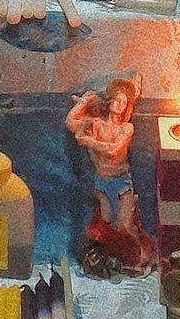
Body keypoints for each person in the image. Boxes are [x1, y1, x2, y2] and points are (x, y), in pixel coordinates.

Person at [65, 77, 153, 275]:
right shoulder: (96, 124)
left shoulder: (126, 128)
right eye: (117, 99)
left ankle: (140, 256)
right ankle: (107, 258)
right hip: (102, 181)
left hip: (121, 181)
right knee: (105, 222)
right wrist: (84, 101)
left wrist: (90, 142)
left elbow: (114, 150)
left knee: (125, 224)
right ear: (110, 101)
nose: (120, 104)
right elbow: (70, 123)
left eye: (124, 102)